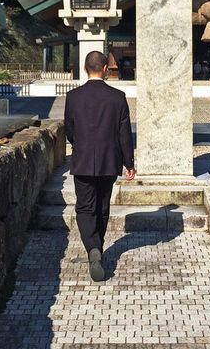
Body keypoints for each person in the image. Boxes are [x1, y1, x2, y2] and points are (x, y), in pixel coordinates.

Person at [64, 51, 136, 282]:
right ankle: (98, 247)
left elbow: (69, 129)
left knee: (85, 207)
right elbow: (124, 133)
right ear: (105, 69)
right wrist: (129, 164)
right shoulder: (118, 97)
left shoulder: (73, 97)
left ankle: (92, 248)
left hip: (82, 159)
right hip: (109, 160)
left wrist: (80, 145)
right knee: (103, 206)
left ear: (85, 69)